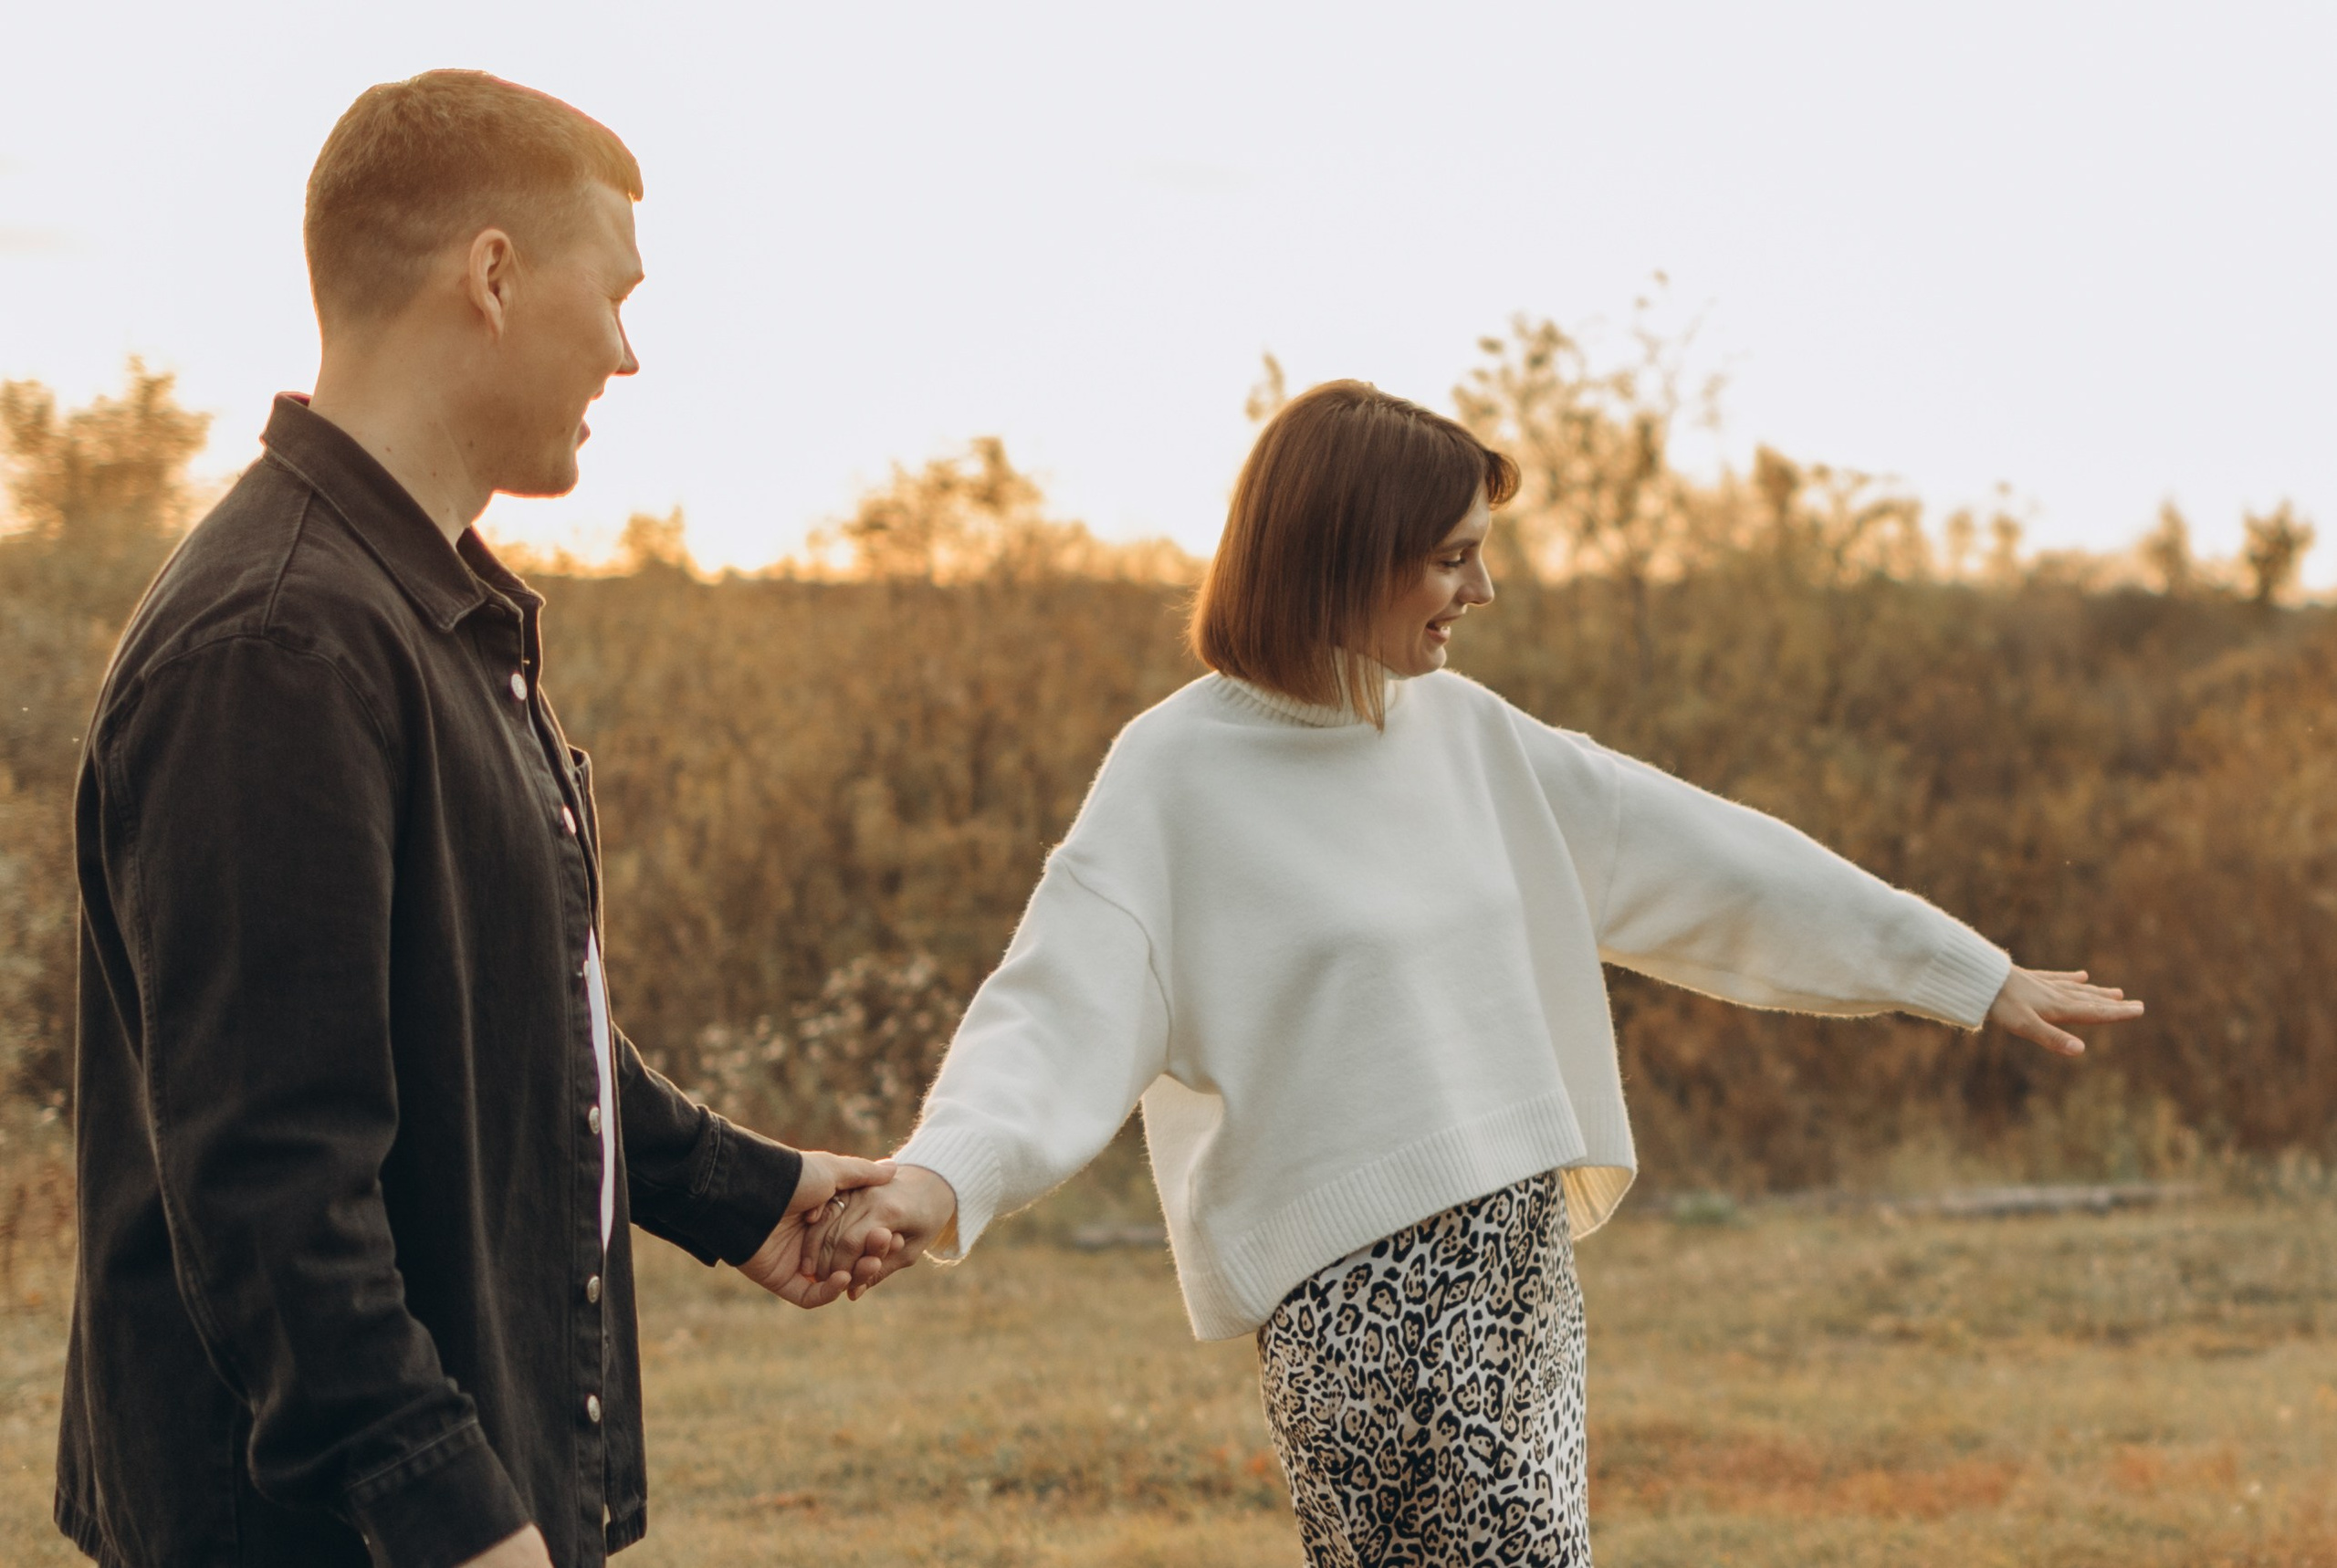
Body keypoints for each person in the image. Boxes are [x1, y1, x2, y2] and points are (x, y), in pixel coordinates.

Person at [811, 380, 2144, 1565]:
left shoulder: (1474, 741)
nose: (1480, 594)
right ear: (1346, 555)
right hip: (1337, 1311)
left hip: (1505, 1275)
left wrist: (1963, 970)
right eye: (1453, 559)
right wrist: (939, 1174)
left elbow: (1725, 863)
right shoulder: (1173, 774)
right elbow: (1058, 1007)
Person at [57, 70, 895, 1568]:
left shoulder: (418, 607)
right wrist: (454, 1522)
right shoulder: (280, 646)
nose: (630, 355)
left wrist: (737, 1189)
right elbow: (272, 1193)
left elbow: (496, 997)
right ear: (494, 274)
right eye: (618, 296)